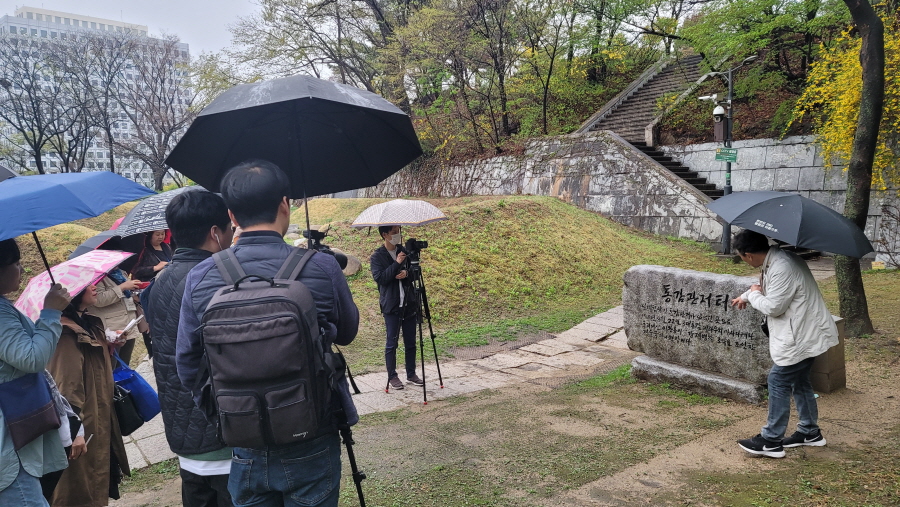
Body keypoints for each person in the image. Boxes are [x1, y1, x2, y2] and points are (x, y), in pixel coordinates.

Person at [177, 160, 359, 507]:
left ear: (231, 215)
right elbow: (348, 332)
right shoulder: (320, 266)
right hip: (313, 434)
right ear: (285, 205)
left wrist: (227, 415)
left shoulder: (201, 276)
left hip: (245, 442)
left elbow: (187, 363)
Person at [142, 190, 235, 507]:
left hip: (185, 434)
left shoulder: (159, 282)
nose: (233, 234)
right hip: (223, 434)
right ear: (215, 233)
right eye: (229, 228)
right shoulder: (216, 280)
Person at [730, 230, 839, 459]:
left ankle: (771, 440)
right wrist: (748, 295)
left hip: (802, 335)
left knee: (777, 379)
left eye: (740, 256)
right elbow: (765, 290)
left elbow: (773, 307)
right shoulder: (777, 259)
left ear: (748, 255)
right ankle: (810, 432)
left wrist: (753, 294)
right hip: (803, 331)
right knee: (798, 381)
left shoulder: (782, 266)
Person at [0, 238, 71, 507]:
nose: (21, 269)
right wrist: (51, 312)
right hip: (10, 441)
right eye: (16, 264)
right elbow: (30, 358)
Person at [47, 285, 131, 505]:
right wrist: (74, 430)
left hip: (99, 416)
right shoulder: (65, 334)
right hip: (84, 422)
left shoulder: (90, 323)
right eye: (87, 285)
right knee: (80, 488)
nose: (94, 287)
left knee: (95, 483)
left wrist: (107, 347)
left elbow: (97, 373)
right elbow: (67, 386)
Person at [370, 225, 424, 390]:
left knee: (411, 342)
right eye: (394, 233)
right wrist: (397, 263)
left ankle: (411, 373)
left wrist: (407, 274)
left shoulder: (405, 251)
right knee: (391, 343)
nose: (397, 236)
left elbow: (416, 272)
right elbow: (381, 278)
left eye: (398, 232)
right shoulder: (377, 257)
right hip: (392, 305)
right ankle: (392, 376)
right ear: (385, 235)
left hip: (409, 303)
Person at [88, 271, 141, 365]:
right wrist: (122, 287)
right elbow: (99, 300)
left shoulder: (121, 272)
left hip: (128, 324)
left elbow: (125, 295)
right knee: (113, 366)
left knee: (125, 365)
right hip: (112, 329)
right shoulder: (96, 277)